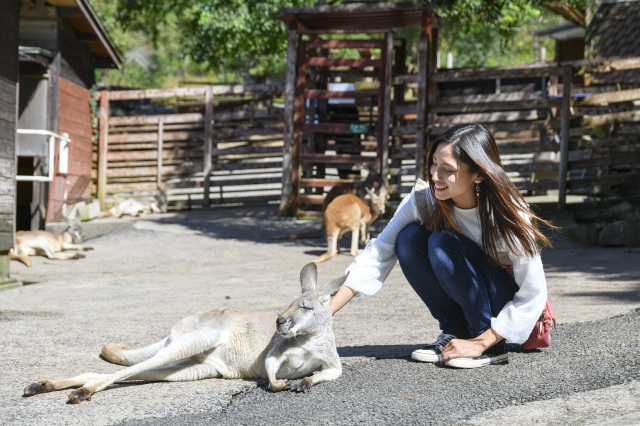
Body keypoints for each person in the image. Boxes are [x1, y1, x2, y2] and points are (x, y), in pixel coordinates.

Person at [329, 123, 554, 369]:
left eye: (448, 169)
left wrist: (483, 341)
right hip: (477, 294)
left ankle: (487, 344)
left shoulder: (507, 213)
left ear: (478, 174)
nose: (435, 175)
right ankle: (455, 332)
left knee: (441, 242)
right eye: (434, 163)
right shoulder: (425, 199)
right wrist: (324, 314)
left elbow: (533, 291)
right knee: (409, 238)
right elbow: (379, 250)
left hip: (504, 305)